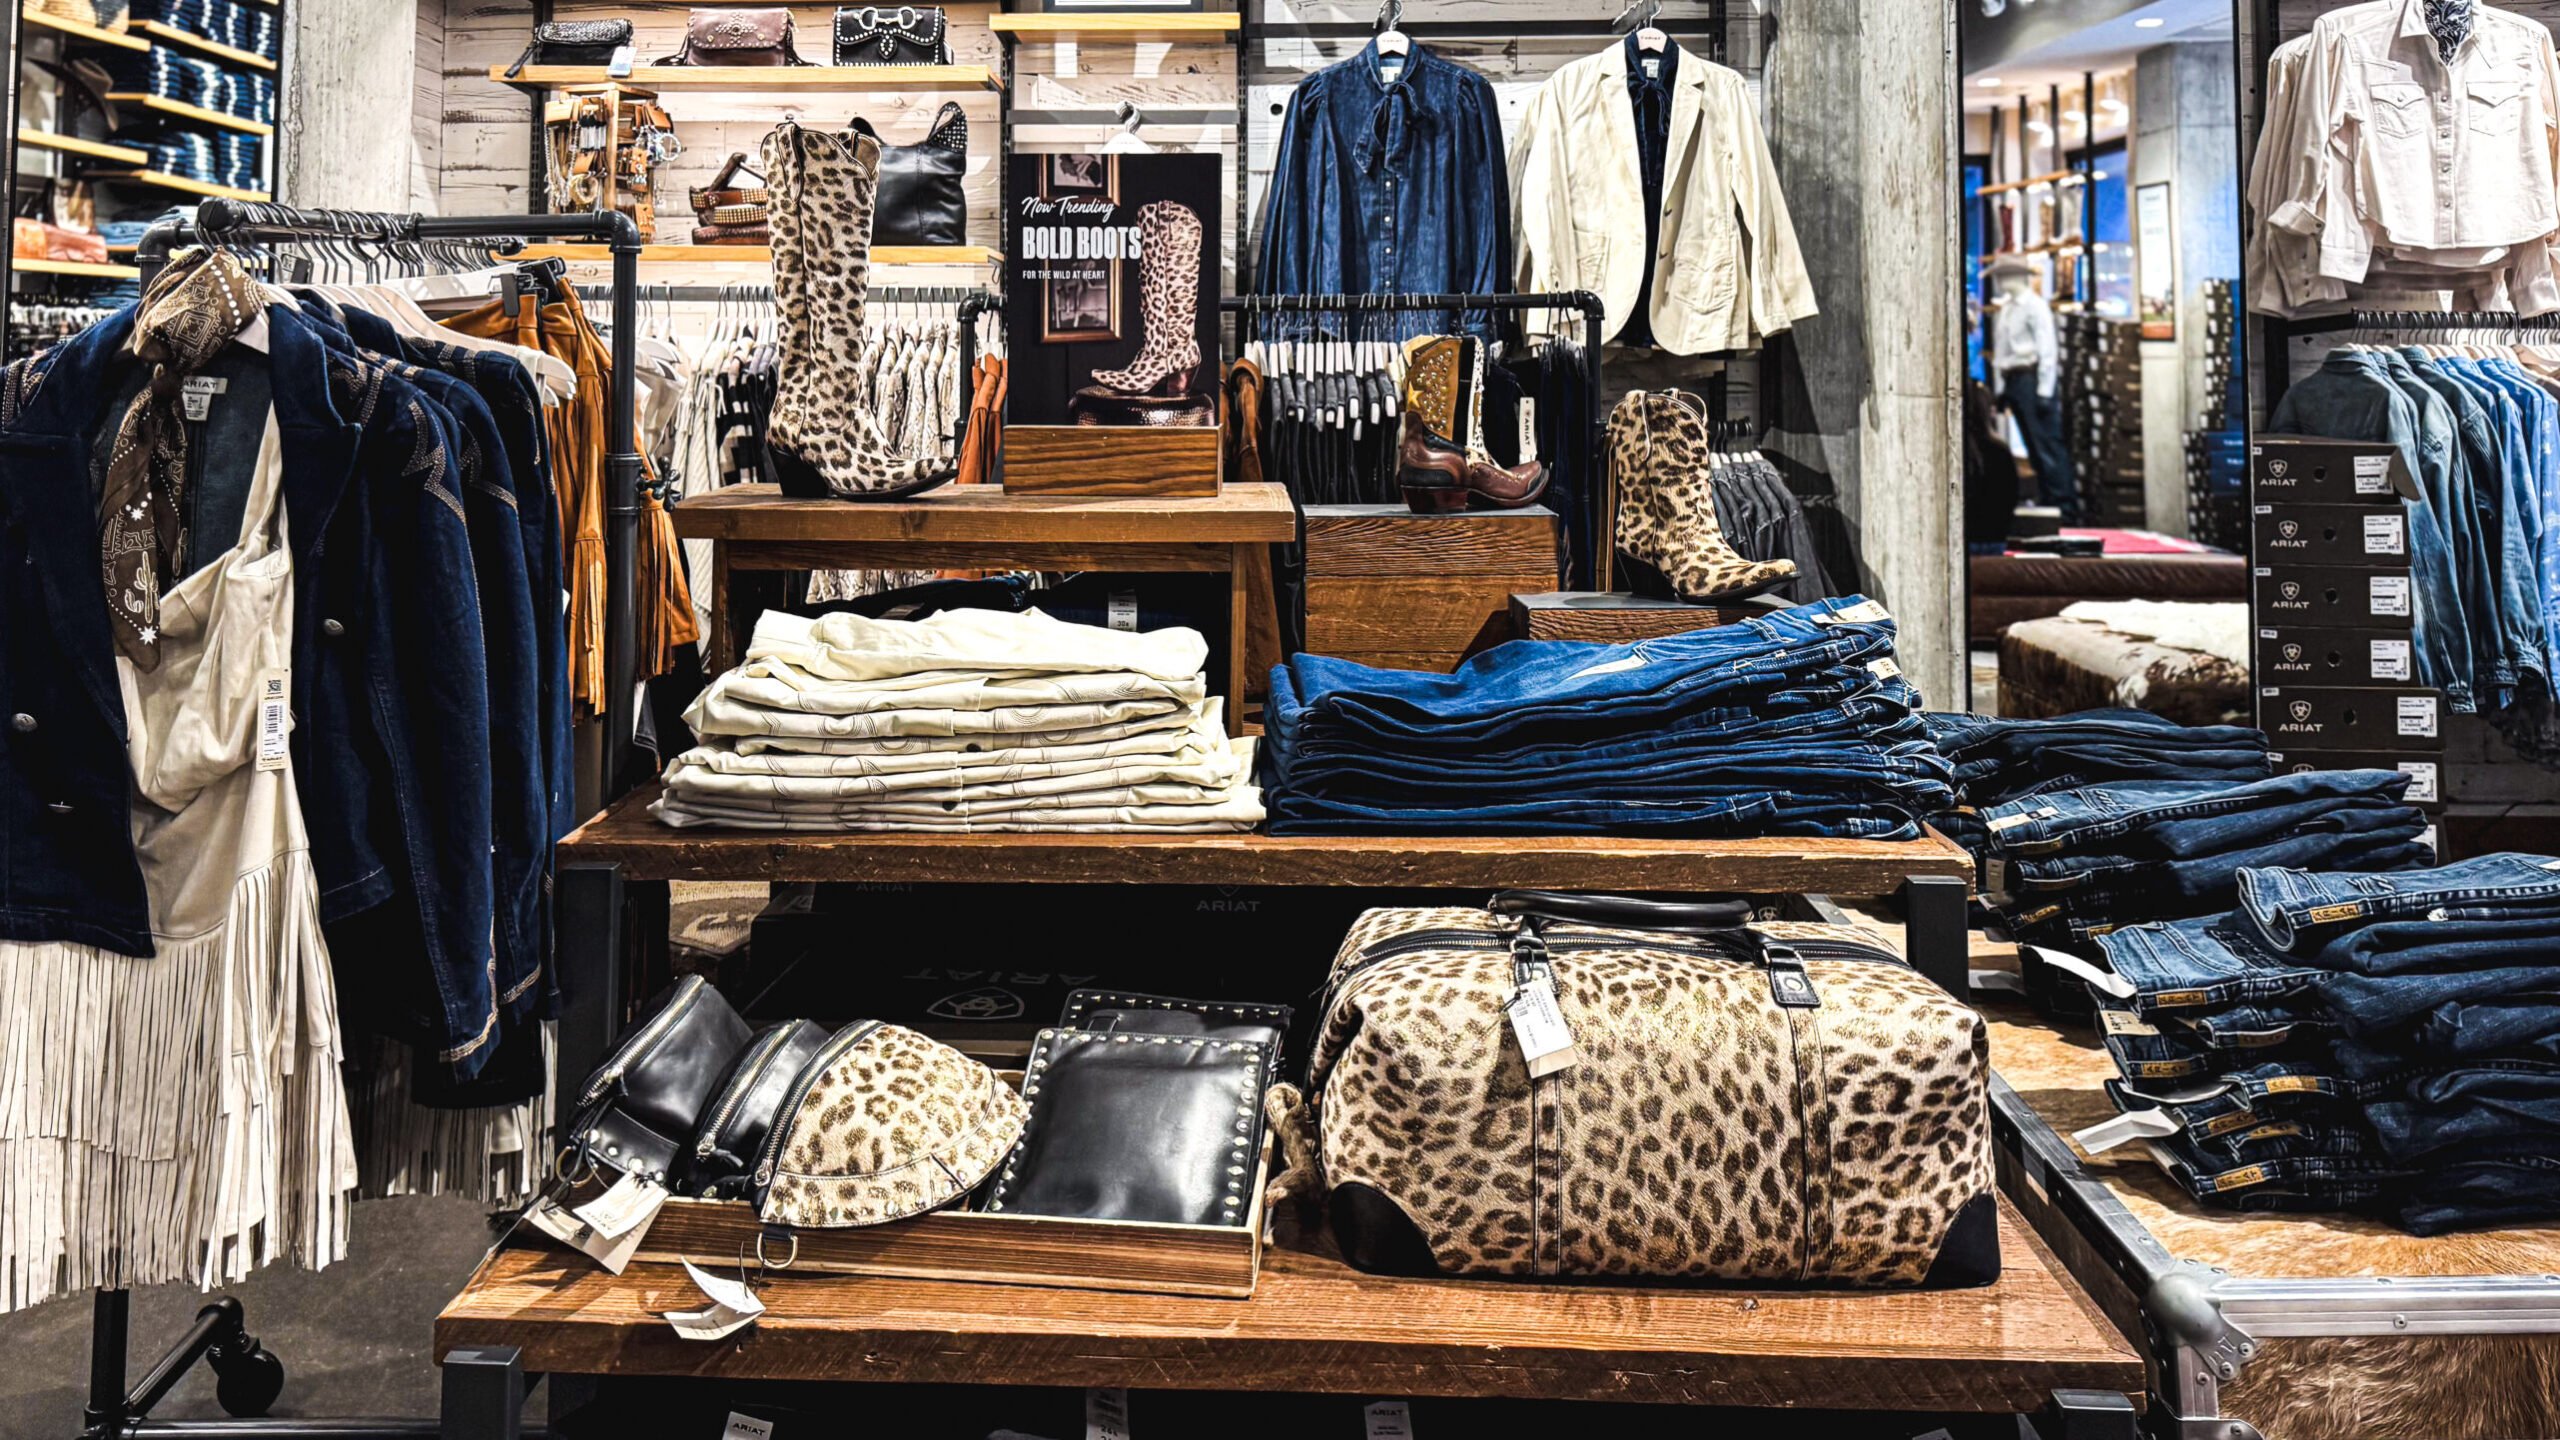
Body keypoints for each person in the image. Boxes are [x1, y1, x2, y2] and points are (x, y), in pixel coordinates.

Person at [1986, 254, 2076, 519]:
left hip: (2031, 378)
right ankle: (2049, 499)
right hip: (2015, 380)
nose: (2000, 282)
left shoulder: (2035, 307)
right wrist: (2002, 389)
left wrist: (2045, 391)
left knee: (2046, 445)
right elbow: (2003, 351)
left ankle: (2064, 505)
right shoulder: (2008, 309)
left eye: (2004, 276)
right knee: (2033, 445)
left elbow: (2047, 350)